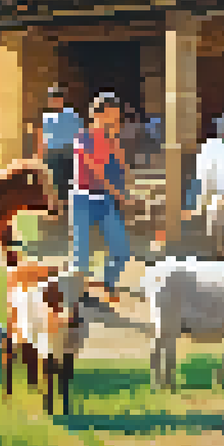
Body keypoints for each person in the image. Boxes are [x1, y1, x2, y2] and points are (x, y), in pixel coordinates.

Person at [71, 91, 133, 308]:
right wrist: (118, 193)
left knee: (122, 251)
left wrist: (114, 139)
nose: (116, 120)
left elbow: (122, 167)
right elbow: (96, 170)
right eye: (113, 116)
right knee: (81, 255)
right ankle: (78, 297)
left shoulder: (109, 139)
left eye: (117, 117)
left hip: (104, 199)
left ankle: (108, 281)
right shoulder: (82, 137)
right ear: (99, 114)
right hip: (83, 200)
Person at [36, 85, 82, 206]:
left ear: (62, 100)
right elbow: (42, 137)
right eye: (52, 100)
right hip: (52, 153)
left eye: (57, 99)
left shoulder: (71, 115)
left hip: (68, 152)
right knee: (53, 181)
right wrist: (40, 155)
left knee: (68, 181)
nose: (55, 102)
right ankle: (55, 206)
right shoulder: (46, 117)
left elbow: (79, 133)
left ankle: (68, 206)